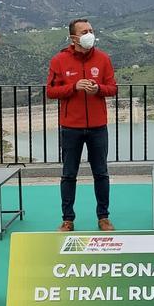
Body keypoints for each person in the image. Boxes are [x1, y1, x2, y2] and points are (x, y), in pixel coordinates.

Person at [47, 18, 118, 232]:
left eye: (91, 30)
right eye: (85, 31)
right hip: (71, 127)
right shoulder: (59, 60)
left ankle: (103, 217)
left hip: (98, 126)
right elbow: (50, 91)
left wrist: (98, 89)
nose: (90, 34)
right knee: (69, 174)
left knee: (101, 173)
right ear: (74, 37)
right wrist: (73, 86)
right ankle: (67, 219)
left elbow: (113, 88)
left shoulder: (103, 59)